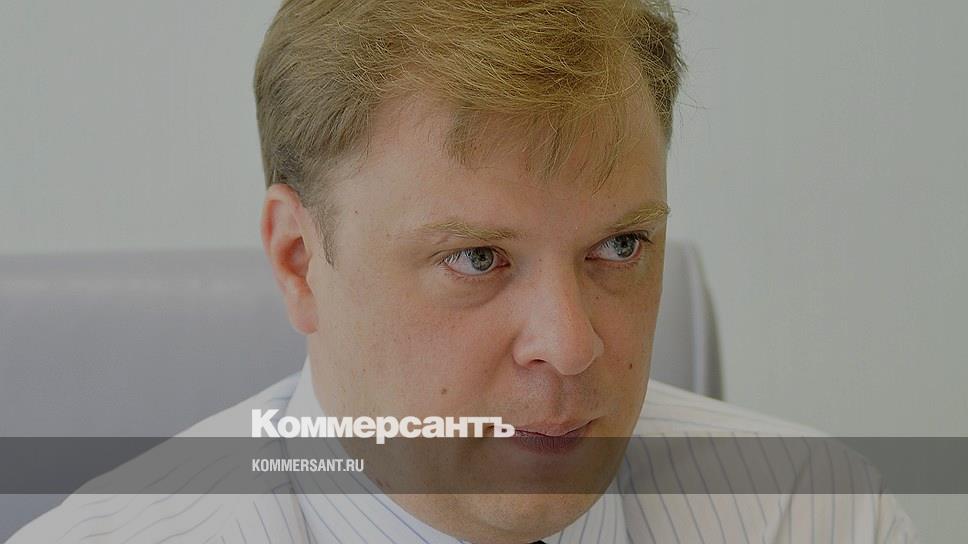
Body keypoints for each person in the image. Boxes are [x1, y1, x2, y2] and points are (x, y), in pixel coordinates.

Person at [9, 0, 920, 542]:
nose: (571, 348)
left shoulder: (813, 517)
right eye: (477, 259)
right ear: (298, 261)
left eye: (620, 248)